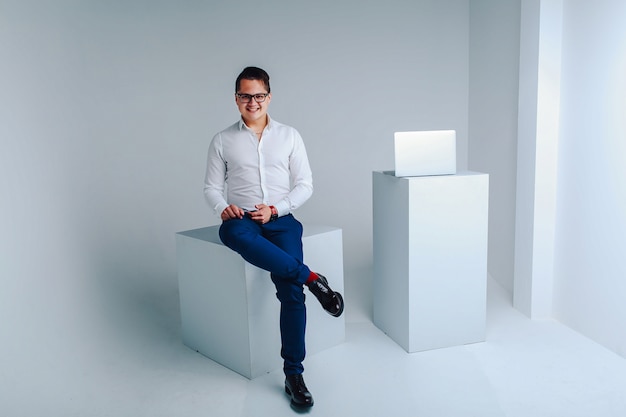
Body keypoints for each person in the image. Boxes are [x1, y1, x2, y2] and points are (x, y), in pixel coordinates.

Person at [203, 66, 344, 409]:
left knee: (290, 292)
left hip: (280, 220)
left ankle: (293, 374)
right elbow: (210, 187)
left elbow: (305, 184)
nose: (253, 102)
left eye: (259, 95)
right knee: (232, 234)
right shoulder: (222, 140)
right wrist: (223, 206)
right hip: (244, 220)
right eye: (245, 95)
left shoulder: (290, 136)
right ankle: (313, 278)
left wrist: (277, 209)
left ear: (269, 96)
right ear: (236, 98)